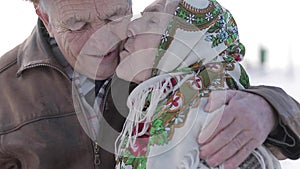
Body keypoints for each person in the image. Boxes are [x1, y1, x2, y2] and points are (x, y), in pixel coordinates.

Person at [0, 0, 299, 169]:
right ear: (45, 18)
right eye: (78, 25)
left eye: (115, 16)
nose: (104, 37)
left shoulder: (160, 59)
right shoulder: (4, 91)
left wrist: (270, 108)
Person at [114, 0, 281, 168]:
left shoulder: (221, 118)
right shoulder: (150, 107)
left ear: (186, 42)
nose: (131, 26)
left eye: (152, 21)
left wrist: (276, 110)